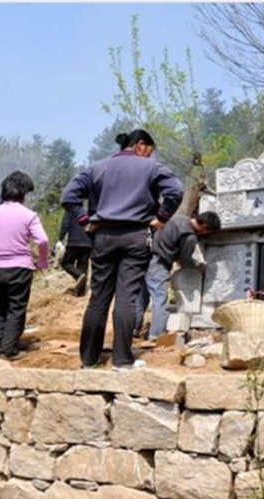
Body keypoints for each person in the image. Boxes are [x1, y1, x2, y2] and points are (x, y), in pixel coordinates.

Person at [61, 129, 183, 371]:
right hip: (136, 236)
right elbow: (175, 190)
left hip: (103, 237)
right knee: (127, 297)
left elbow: (68, 196)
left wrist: (85, 220)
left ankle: (89, 360)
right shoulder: (151, 167)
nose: (150, 156)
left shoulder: (97, 167)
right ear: (140, 145)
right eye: (149, 150)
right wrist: (161, 218)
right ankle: (122, 360)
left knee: (98, 298)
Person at [0, 171, 49, 360]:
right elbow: (43, 240)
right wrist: (42, 262)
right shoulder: (29, 215)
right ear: (23, 194)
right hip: (21, 268)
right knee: (16, 308)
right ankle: (9, 350)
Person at [137, 211, 221, 340]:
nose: (205, 234)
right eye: (208, 232)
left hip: (146, 257)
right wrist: (198, 267)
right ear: (204, 227)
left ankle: (133, 329)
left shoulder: (178, 218)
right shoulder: (189, 236)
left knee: (141, 297)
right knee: (160, 300)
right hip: (159, 264)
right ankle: (156, 336)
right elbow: (185, 260)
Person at [57, 206, 92, 296]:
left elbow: (65, 225)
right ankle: (80, 293)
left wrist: (60, 239)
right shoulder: (87, 210)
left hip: (74, 242)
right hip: (88, 243)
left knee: (66, 262)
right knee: (83, 266)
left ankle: (78, 275)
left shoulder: (70, 210)